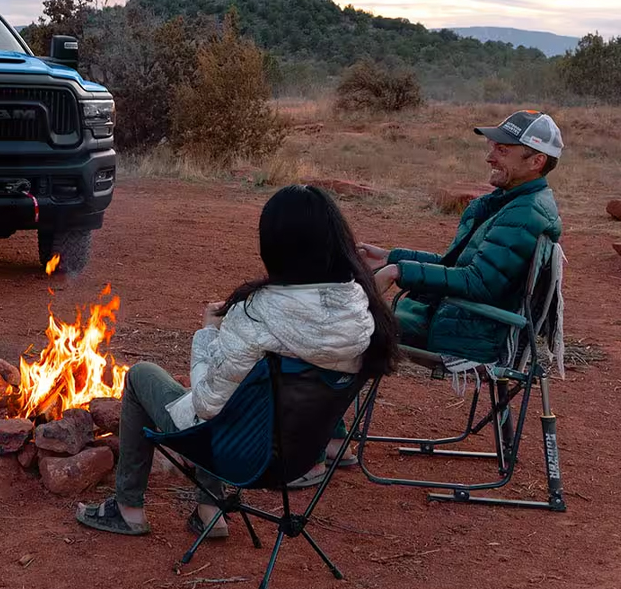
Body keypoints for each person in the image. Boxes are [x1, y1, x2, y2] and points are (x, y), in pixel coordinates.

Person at [74, 184, 399, 537]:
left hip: (243, 457)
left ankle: (128, 509)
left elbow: (207, 404)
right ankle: (210, 510)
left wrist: (209, 332)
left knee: (143, 376)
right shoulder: (362, 311)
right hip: (301, 459)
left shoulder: (256, 317)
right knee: (241, 391)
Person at [360, 110, 564, 365]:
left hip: (468, 335)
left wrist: (397, 272)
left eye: (502, 150)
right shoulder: (512, 203)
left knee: (347, 328)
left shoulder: (525, 213)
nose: (489, 158)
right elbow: (465, 267)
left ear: (536, 161)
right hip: (461, 321)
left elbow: (478, 282)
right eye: (492, 148)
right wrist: (391, 257)